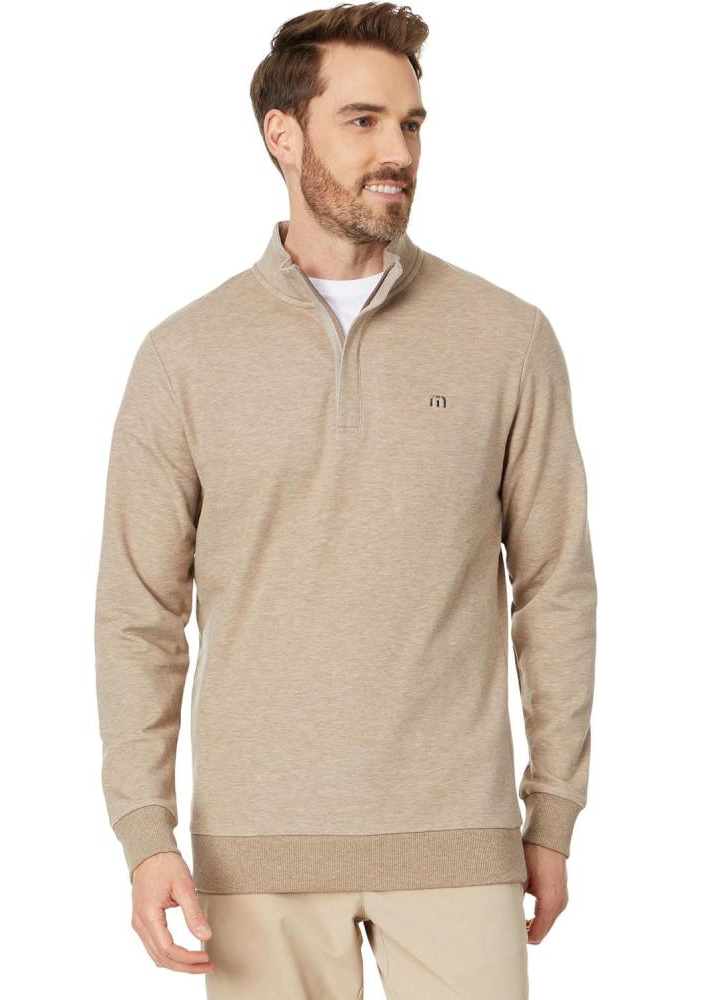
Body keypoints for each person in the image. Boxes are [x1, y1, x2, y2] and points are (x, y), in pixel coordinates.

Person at [94, 3, 597, 996]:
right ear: (282, 135)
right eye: (361, 121)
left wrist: (553, 812)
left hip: (458, 842)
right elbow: (137, 615)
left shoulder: (507, 338)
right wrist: (145, 832)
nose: (396, 151)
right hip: (256, 853)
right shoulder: (185, 357)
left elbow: (555, 590)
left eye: (409, 124)